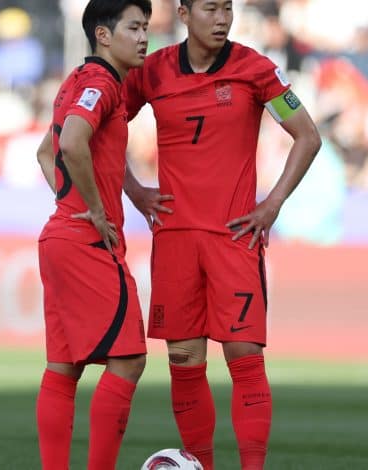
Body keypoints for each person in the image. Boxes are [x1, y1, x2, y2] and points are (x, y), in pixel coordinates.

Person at [122, 1, 321, 468]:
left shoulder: (256, 70)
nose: (222, 18)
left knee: (244, 357)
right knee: (184, 361)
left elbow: (308, 136)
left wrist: (272, 204)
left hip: (234, 238)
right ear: (184, 13)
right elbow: (105, 127)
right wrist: (134, 190)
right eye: (210, 8)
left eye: (227, 8)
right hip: (174, 239)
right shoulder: (152, 71)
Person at [33, 1, 151, 469]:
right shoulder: (102, 84)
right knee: (129, 360)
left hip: (59, 236)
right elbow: (69, 143)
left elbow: (45, 153)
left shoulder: (76, 81)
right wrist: (95, 209)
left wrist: (69, 201)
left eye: (145, 27)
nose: (143, 37)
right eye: (134, 28)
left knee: (63, 369)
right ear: (103, 35)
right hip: (87, 242)